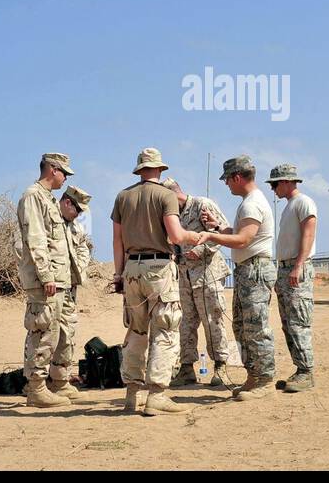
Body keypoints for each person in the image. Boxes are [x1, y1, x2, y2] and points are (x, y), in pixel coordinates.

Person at [111, 148, 208, 416]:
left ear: (139, 169)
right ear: (160, 169)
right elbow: (176, 236)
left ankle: (131, 395)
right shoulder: (165, 195)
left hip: (131, 269)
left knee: (135, 332)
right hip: (159, 269)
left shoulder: (123, 196)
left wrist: (119, 274)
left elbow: (117, 241)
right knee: (165, 331)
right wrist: (196, 236)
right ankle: (157, 395)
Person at [201, 155, 277, 401]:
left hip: (254, 269)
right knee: (242, 327)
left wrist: (209, 237)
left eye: (227, 180)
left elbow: (244, 239)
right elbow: (240, 234)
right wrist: (219, 229)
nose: (226, 185)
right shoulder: (249, 202)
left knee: (255, 327)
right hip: (247, 270)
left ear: (237, 177)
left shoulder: (251, 204)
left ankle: (264, 380)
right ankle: (253, 376)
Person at [161, 178, 235, 390]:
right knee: (185, 323)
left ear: (175, 195)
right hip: (184, 276)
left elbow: (223, 233)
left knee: (213, 319)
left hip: (207, 273)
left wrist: (201, 249)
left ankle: (220, 366)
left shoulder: (203, 205)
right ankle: (186, 368)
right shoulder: (172, 215)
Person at [15, 153, 76, 408]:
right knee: (42, 331)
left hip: (58, 279)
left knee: (57, 332)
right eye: (64, 172)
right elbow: (36, 239)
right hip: (45, 281)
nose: (65, 178)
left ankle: (53, 383)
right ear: (52, 169)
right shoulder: (33, 196)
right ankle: (36, 389)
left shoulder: (48, 199)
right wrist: (46, 275)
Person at [268, 163, 318, 393]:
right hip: (285, 268)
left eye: (276, 184)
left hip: (297, 268)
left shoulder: (303, 202)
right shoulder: (290, 206)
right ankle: (300, 370)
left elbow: (308, 234)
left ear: (287, 182)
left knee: (298, 322)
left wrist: (298, 266)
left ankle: (306, 372)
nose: (273, 189)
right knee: (288, 324)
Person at [56, 184, 93, 400]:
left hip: (69, 287)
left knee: (67, 332)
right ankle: (37, 382)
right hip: (51, 286)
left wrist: (77, 270)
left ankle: (60, 379)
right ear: (67, 202)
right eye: (77, 210)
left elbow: (83, 249)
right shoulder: (48, 222)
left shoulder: (75, 228)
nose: (78, 215)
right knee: (45, 333)